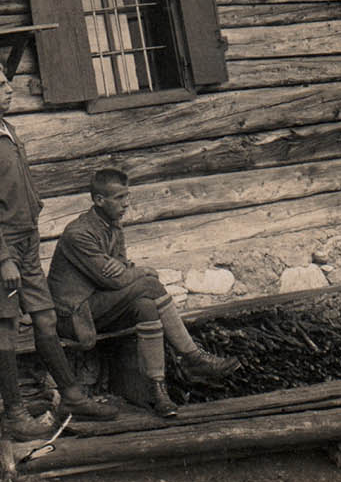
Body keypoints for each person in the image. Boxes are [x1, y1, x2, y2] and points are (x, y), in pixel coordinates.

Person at [0, 64, 122, 434]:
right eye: (0, 86)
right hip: (3, 250)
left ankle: (74, 397)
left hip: (27, 244)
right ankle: (15, 416)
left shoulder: (8, 131)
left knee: (45, 318)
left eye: (8, 83)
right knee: (7, 325)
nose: (10, 89)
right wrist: (2, 258)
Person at [49, 168, 240, 416]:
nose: (126, 203)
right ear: (99, 200)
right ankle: (192, 358)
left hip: (99, 306)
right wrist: (144, 271)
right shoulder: (78, 233)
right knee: (149, 284)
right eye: (119, 198)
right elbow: (118, 279)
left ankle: (157, 390)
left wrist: (129, 272)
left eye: (127, 196)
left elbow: (121, 272)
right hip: (73, 316)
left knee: (146, 306)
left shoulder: (113, 227)